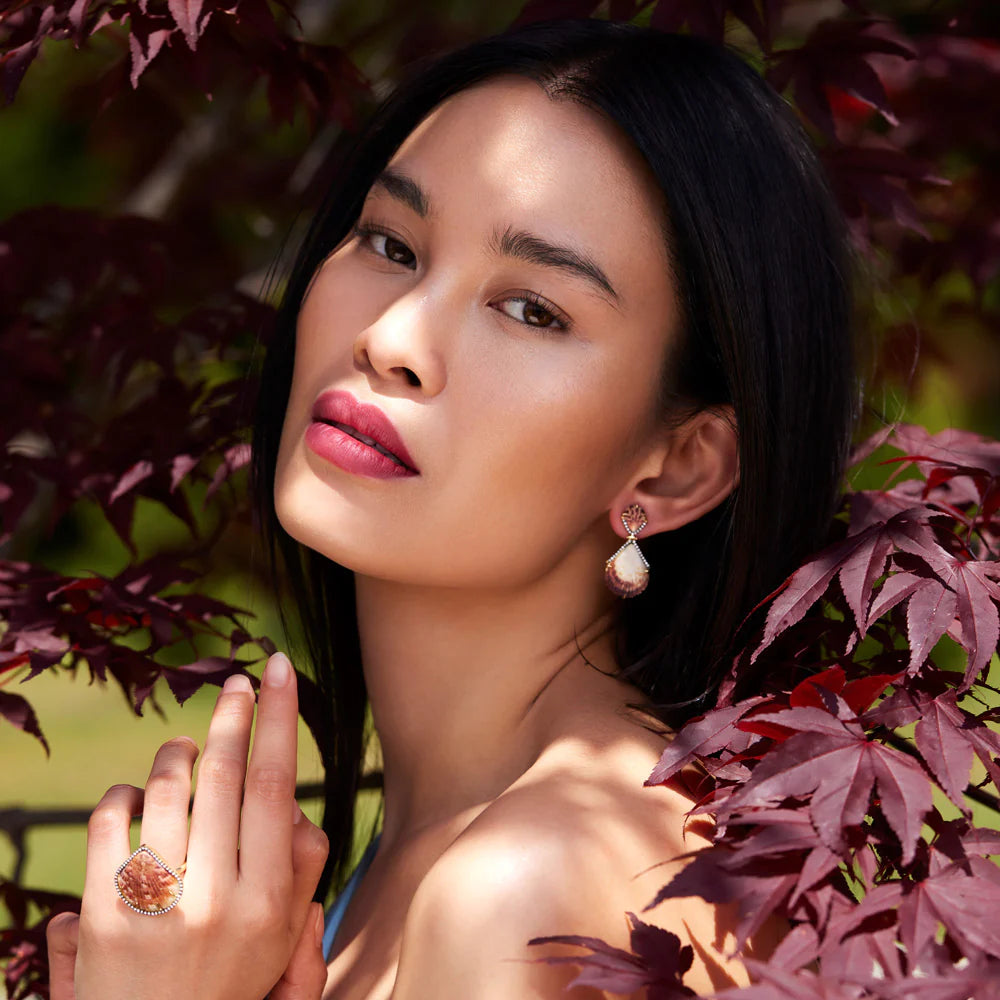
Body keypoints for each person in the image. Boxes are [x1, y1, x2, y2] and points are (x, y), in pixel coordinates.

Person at [46, 18, 855, 1000]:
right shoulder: (439, 838)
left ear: (675, 468)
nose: (393, 338)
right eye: (390, 243)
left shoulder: (522, 889)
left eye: (533, 310)